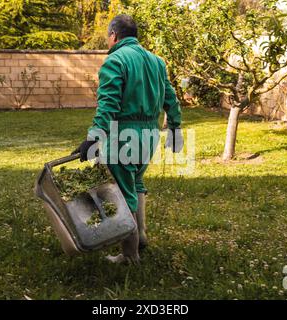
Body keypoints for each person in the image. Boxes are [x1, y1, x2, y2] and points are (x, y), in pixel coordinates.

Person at [73, 14, 183, 264]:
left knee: (123, 195)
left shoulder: (115, 61)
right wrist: (175, 128)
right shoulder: (156, 61)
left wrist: (94, 138)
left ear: (113, 35)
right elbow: (170, 98)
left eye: (107, 37)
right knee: (136, 181)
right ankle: (140, 235)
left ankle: (130, 255)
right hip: (149, 135)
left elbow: (108, 105)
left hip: (123, 136)